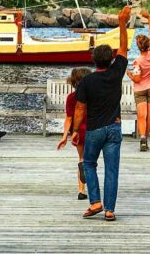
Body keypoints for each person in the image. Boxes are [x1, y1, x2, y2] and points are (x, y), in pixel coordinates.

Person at [71, 5, 131, 222]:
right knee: (112, 170)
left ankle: (95, 201)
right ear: (110, 59)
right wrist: (122, 22)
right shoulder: (116, 73)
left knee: (88, 163)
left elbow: (79, 108)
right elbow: (124, 49)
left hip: (95, 129)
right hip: (114, 127)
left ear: (94, 60)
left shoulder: (87, 81)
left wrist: (75, 130)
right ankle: (109, 210)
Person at [126, 9, 150, 151]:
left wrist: (129, 75)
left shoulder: (137, 61)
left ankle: (142, 138)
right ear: (148, 45)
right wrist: (149, 17)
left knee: (141, 116)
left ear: (139, 47)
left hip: (140, 90)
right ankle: (147, 140)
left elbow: (137, 79)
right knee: (149, 116)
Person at [57, 67, 92, 200]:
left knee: (81, 158)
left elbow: (69, 118)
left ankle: (81, 190)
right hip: (93, 130)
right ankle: (91, 185)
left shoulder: (71, 97)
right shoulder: (93, 96)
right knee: (91, 160)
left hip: (78, 132)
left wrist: (64, 137)